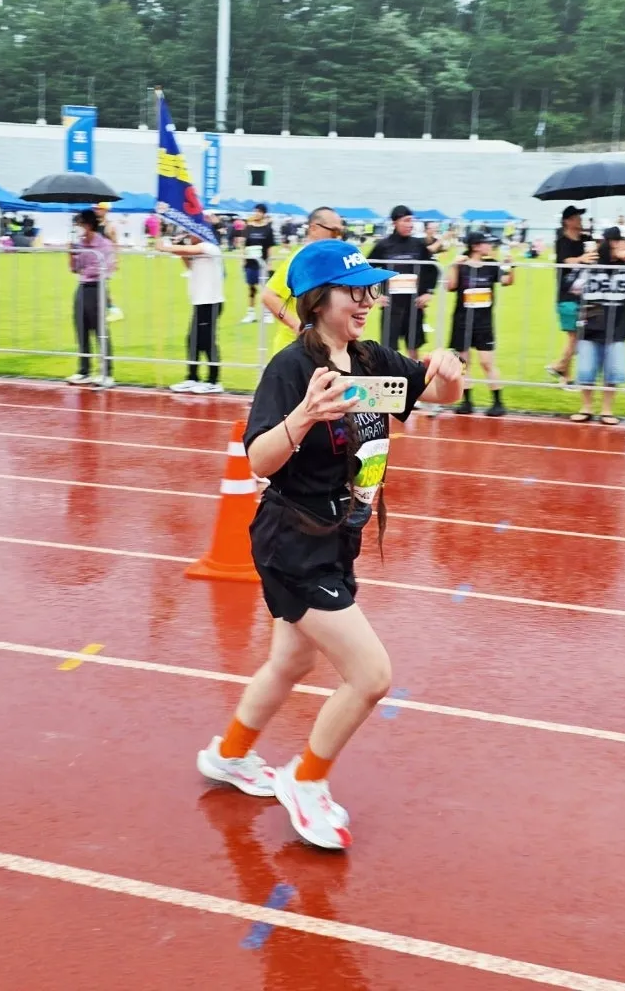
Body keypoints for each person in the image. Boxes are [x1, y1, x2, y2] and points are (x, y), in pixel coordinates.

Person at [195, 239, 464, 850]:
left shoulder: (369, 359)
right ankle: (306, 780)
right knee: (370, 675)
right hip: (293, 540)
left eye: (372, 290)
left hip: (338, 536)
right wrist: (305, 416)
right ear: (318, 300)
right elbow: (258, 460)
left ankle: (229, 755)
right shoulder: (292, 368)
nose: (367, 301)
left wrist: (449, 375)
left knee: (290, 662)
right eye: (354, 291)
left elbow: (436, 394)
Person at [569, 226, 625, 425]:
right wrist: (584, 263)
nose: (623, 246)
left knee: (613, 371)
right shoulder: (591, 265)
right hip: (591, 323)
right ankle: (586, 407)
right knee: (586, 369)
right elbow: (573, 286)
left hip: (617, 325)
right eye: (618, 243)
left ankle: (607, 410)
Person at [446, 231, 513, 417]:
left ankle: (498, 402)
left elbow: (507, 281)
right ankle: (467, 401)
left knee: (486, 362)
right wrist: (453, 265)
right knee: (464, 363)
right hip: (462, 321)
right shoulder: (461, 266)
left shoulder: (491, 265)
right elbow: (450, 286)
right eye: (486, 243)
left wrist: (510, 266)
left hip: (484, 323)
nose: (490, 246)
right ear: (475, 246)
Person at [261, 206, 344, 354]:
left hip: (322, 348)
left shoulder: (330, 259)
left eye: (341, 232)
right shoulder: (301, 259)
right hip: (295, 351)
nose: (338, 238)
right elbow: (269, 296)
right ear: (313, 229)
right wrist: (298, 326)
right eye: (334, 231)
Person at [159, 221, 226, 395]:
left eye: (192, 232)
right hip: (200, 302)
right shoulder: (198, 251)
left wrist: (166, 247)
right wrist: (179, 249)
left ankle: (213, 381)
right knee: (192, 341)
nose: (190, 235)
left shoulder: (211, 247)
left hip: (210, 302)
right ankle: (192, 377)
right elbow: (189, 264)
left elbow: (191, 250)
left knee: (207, 342)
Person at [367, 206, 439, 359]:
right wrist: (375, 295)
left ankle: (414, 374)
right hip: (391, 307)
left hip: (414, 306)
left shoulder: (418, 245)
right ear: (395, 222)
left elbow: (433, 269)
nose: (410, 225)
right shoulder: (383, 245)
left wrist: (428, 292)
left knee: (413, 349)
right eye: (406, 221)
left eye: (411, 221)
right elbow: (367, 270)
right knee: (389, 352)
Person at [546, 206, 596, 386]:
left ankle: (564, 376)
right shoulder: (562, 241)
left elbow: (595, 257)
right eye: (576, 217)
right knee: (575, 336)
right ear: (567, 221)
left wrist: (594, 250)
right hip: (567, 296)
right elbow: (565, 261)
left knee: (578, 336)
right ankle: (559, 367)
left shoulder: (587, 239)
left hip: (587, 294)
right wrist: (582, 259)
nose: (580, 220)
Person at [66, 209, 116, 389]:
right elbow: (75, 268)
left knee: (100, 331)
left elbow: (105, 269)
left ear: (88, 225)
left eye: (80, 224)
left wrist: (87, 264)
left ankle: (107, 373)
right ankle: (84, 370)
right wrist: (70, 254)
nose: (77, 228)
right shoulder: (79, 244)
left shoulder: (104, 244)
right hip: (82, 287)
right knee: (81, 328)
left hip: (97, 288)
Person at [241, 204, 275, 324]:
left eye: (259, 212)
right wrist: (243, 259)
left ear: (264, 214)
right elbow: (244, 245)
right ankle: (251, 313)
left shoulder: (268, 229)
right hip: (250, 263)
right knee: (251, 288)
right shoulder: (248, 228)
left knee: (265, 289)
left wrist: (269, 263)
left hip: (263, 264)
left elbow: (270, 247)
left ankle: (267, 314)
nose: (256, 214)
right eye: (255, 211)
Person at [94, 203, 124, 323]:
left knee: (102, 287)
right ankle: (109, 310)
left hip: (104, 262)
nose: (96, 210)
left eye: (99, 209)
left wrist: (115, 260)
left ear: (105, 210)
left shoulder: (109, 227)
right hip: (93, 262)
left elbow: (115, 244)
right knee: (98, 287)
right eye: (95, 209)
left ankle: (114, 310)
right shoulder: (93, 225)